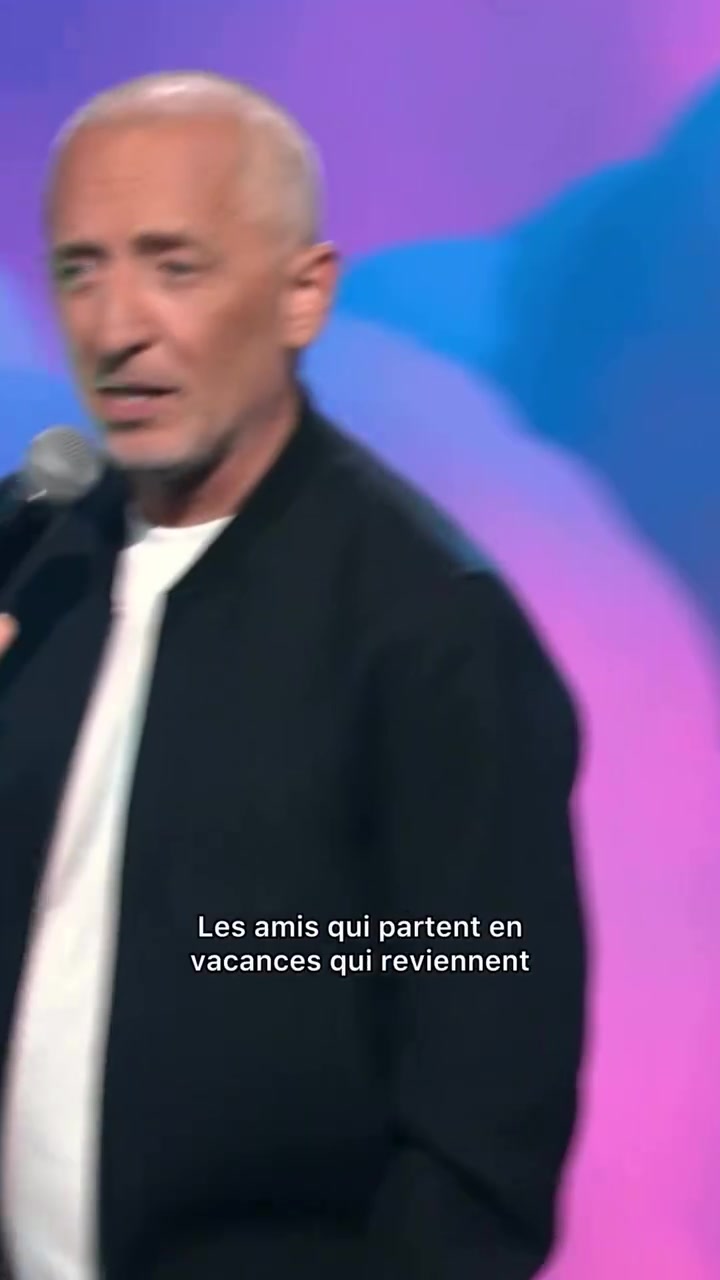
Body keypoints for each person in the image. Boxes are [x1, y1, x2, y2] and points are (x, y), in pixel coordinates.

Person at [0, 72, 586, 1280]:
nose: (116, 326)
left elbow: (484, 1131)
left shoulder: (431, 631)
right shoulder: (36, 575)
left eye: (174, 265)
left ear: (302, 293)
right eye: (80, 269)